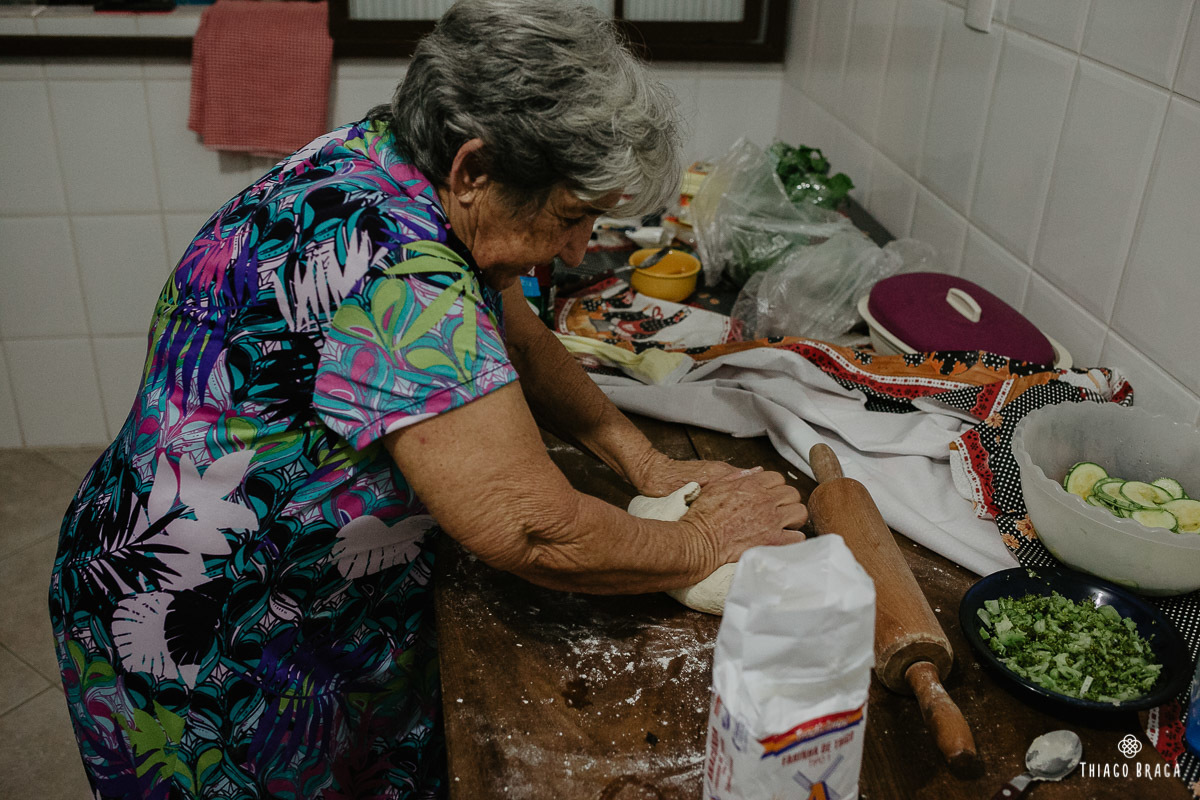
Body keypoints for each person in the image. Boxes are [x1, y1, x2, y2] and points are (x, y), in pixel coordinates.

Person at [49, 1, 807, 797]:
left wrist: (645, 463)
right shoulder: (396, 268)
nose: (581, 248)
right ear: (474, 169)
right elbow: (530, 528)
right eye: (572, 215)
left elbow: (512, 332)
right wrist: (701, 542)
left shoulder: (392, 159)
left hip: (310, 599)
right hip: (203, 630)